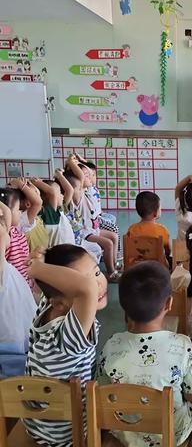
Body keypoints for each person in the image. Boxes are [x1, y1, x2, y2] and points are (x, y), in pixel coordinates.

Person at [99, 261, 192, 447]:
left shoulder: (111, 344)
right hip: (170, 434)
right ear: (169, 303)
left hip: (125, 431)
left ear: (123, 306)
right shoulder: (183, 345)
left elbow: (103, 390)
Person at [25, 244, 108, 446]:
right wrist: (35, 268)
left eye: (97, 272)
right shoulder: (69, 337)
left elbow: (59, 287)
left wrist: (42, 265)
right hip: (69, 434)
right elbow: (86, 291)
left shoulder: (49, 308)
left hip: (38, 426)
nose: (97, 283)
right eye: (84, 281)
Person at [66, 156, 120, 281]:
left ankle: (114, 264)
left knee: (114, 236)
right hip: (85, 233)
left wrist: (81, 162)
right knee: (108, 244)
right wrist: (71, 164)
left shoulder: (87, 190)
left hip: (93, 229)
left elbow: (89, 172)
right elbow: (79, 176)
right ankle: (111, 272)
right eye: (85, 176)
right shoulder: (78, 196)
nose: (90, 177)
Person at [0, 212, 36, 378]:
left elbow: (7, 216)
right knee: (13, 366)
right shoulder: (2, 271)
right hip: (9, 335)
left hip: (14, 330)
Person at [31, 173, 75, 247]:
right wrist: (35, 182)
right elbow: (52, 192)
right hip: (61, 254)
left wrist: (60, 175)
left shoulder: (60, 210)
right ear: (47, 196)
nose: (62, 195)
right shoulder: (48, 213)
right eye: (60, 192)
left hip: (70, 250)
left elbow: (70, 191)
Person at [0, 187, 31, 287]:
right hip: (14, 286)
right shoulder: (5, 234)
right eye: (18, 209)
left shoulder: (15, 231)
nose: (21, 213)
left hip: (25, 283)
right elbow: (7, 213)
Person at [127, 191, 171, 260]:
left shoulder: (132, 229)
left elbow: (129, 250)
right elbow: (168, 251)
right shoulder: (162, 230)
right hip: (156, 267)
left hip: (136, 267)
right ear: (155, 213)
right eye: (160, 208)